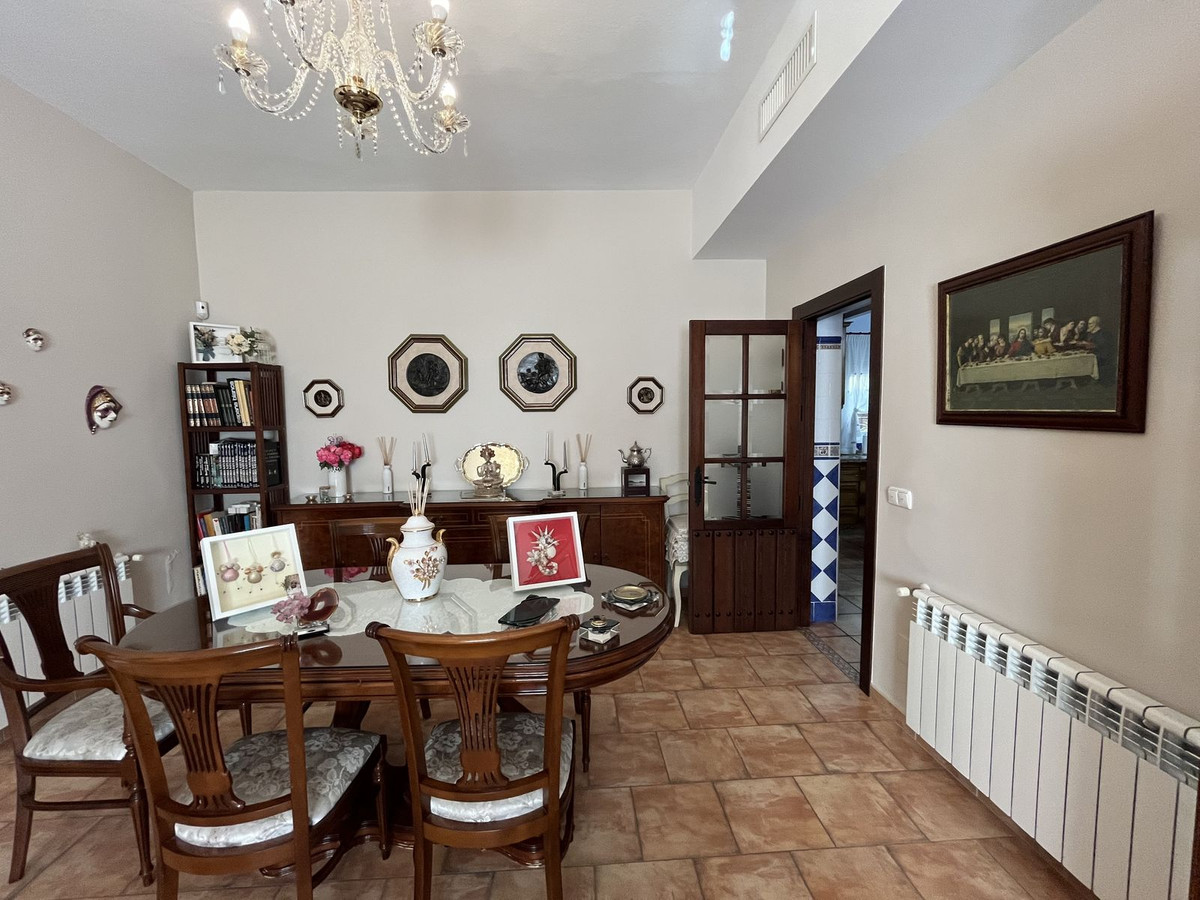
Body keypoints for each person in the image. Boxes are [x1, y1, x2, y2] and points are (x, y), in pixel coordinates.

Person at [1079, 315, 1115, 383]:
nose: (1088, 325)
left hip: (1101, 355)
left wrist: (1088, 344)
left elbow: (1102, 346)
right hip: (1092, 353)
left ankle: (1092, 379)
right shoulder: (1089, 333)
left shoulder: (1103, 333)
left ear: (1095, 324)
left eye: (1090, 323)